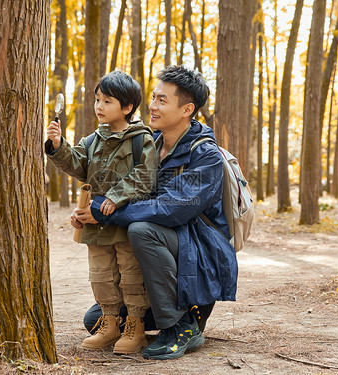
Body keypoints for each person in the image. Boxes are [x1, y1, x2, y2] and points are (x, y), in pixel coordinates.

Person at [73, 65, 238, 360]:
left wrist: (108, 214)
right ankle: (150, 318)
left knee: (141, 229)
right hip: (163, 251)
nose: (151, 106)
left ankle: (181, 324)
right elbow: (122, 190)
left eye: (162, 100)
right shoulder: (149, 143)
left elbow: (172, 209)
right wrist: (91, 212)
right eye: (152, 97)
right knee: (94, 320)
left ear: (187, 109)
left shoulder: (206, 155)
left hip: (197, 252)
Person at [46, 71, 157, 354]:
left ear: (127, 107)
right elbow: (77, 164)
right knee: (101, 276)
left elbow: (145, 176)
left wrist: (116, 197)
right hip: (96, 225)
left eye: (107, 101)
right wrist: (58, 146)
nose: (99, 106)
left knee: (131, 276)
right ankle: (109, 325)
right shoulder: (92, 140)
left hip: (123, 222)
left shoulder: (140, 140)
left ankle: (136, 327)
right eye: (97, 99)